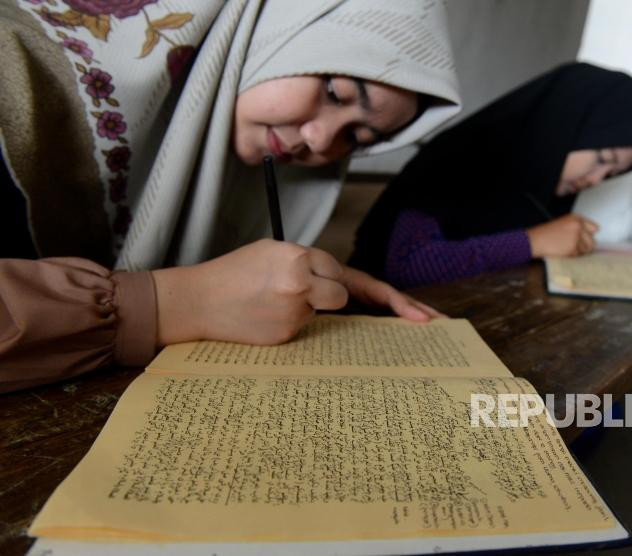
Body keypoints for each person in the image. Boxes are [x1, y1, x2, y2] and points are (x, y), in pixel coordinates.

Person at [0, 0, 461, 392]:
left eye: (357, 137)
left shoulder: (224, 174)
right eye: (336, 92)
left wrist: (294, 282)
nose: (321, 143)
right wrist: (174, 303)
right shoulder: (14, 70)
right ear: (277, 26)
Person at [348, 62, 632, 289]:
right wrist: (533, 242)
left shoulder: (541, 183)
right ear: (566, 125)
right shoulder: (462, 154)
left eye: (612, 173)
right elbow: (408, 263)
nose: (597, 179)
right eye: (602, 158)